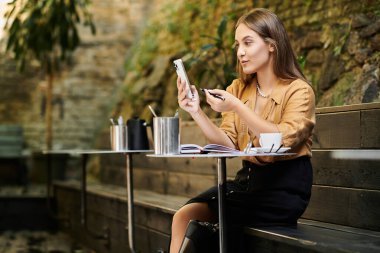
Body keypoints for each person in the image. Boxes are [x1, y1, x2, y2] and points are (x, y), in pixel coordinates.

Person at [172, 8, 315, 253]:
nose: (240, 52)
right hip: (247, 182)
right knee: (184, 216)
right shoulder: (239, 88)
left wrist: (238, 108)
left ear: (272, 45)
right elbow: (227, 144)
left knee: (215, 231)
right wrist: (196, 111)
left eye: (248, 43)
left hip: (284, 188)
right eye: (237, 44)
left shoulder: (298, 91)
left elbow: (281, 140)